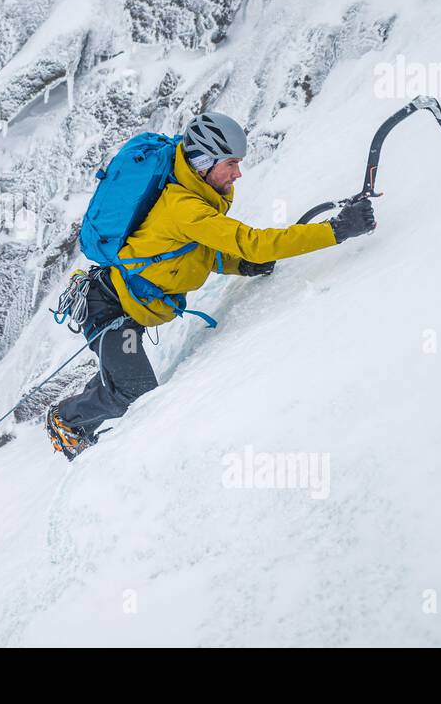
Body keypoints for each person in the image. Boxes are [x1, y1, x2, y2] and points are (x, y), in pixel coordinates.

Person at [45, 111, 376, 460]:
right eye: (231, 163)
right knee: (137, 393)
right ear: (203, 163)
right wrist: (335, 231)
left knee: (126, 377)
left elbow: (194, 254)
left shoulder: (195, 196)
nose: (238, 173)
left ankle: (76, 423)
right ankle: (67, 420)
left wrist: (240, 264)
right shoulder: (184, 207)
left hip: (126, 308)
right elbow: (253, 242)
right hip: (111, 311)